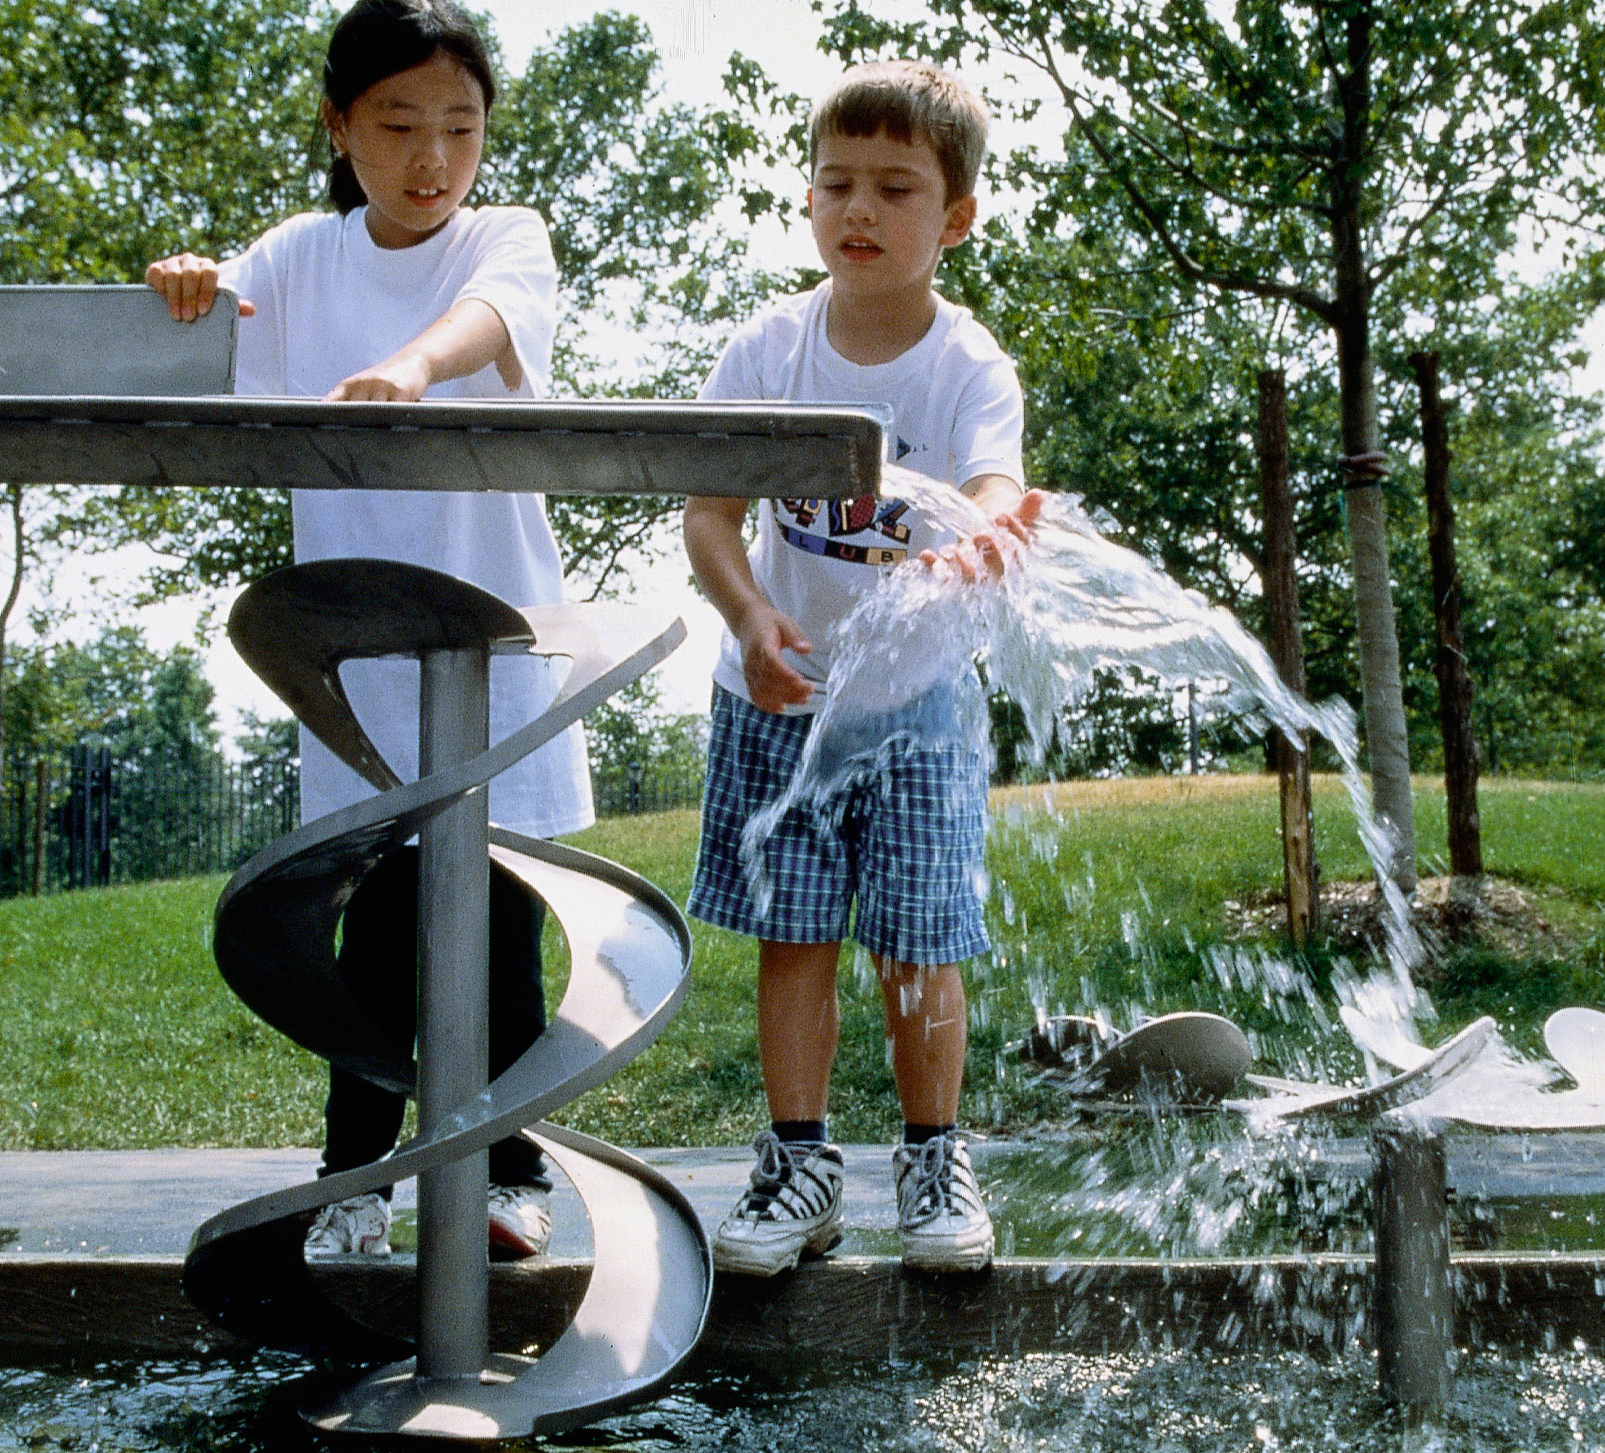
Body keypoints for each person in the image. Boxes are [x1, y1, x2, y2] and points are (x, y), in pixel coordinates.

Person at [146, 0, 590, 1262]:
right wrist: (185, 283)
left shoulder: (506, 239)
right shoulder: (296, 258)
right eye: (398, 124)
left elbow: (491, 322)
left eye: (461, 125)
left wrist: (412, 367)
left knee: (499, 916)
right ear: (340, 126)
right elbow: (212, 316)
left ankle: (511, 1172)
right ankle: (354, 1176)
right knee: (374, 925)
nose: (432, 156)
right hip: (351, 665)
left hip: (491, 640)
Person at [683, 60, 1045, 1277]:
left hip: (917, 698)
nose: (860, 209)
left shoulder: (964, 366)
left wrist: (985, 537)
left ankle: (934, 1164)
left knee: (917, 940)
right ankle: (798, 1165)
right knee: (794, 938)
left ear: (954, 220)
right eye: (837, 183)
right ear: (807, 200)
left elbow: (992, 483)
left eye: (896, 189)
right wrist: (747, 619)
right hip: (775, 689)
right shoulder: (771, 348)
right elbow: (709, 515)